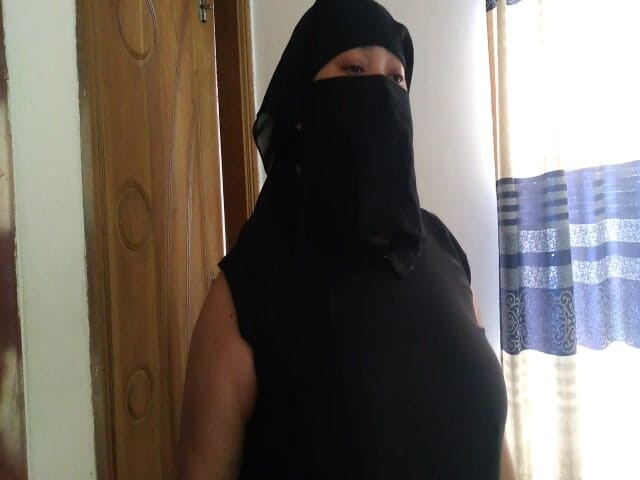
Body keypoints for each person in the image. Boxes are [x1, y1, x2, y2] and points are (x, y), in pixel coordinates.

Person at [178, 0, 515, 478]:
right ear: (302, 105)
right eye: (354, 69)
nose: (380, 91)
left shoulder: (442, 248)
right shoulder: (245, 295)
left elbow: (492, 437)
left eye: (396, 78)